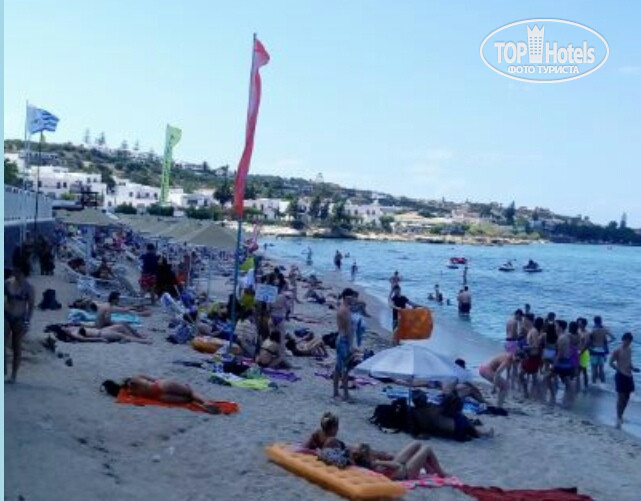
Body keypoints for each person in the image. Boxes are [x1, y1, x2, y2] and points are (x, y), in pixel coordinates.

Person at [100, 376, 220, 414]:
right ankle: (206, 403)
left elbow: (137, 401)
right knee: (190, 392)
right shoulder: (136, 378)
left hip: (159, 397)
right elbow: (154, 379)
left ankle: (203, 406)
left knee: (187, 399)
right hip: (160, 386)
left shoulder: (130, 392)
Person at [4, 256, 36, 383]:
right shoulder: (7, 283)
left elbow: (31, 306)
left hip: (20, 318)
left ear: (22, 271)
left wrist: (27, 321)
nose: (14, 272)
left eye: (16, 270)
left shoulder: (29, 288)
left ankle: (13, 375)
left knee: (16, 347)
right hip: (7, 315)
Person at [351, 441, 447, 480]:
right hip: (407, 473)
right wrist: (379, 461)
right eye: (371, 452)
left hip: (401, 467)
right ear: (368, 456)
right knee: (427, 448)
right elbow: (398, 466)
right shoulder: (376, 465)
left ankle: (430, 470)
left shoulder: (370, 462)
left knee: (416, 444)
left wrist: (382, 457)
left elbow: (391, 458)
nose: (373, 451)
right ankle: (441, 473)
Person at [609, 332, 639, 429]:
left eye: (630, 341)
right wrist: (617, 369)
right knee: (621, 397)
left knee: (627, 397)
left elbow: (629, 362)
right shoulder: (617, 351)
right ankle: (618, 416)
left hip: (629, 375)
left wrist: (633, 368)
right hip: (620, 375)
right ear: (623, 340)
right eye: (627, 341)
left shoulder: (629, 350)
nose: (628, 343)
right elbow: (610, 362)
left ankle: (621, 414)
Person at [334, 288, 356, 401]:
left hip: (340, 339)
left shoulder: (342, 308)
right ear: (347, 297)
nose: (353, 299)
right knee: (345, 368)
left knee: (338, 367)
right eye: (352, 296)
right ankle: (345, 394)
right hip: (344, 341)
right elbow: (348, 329)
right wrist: (351, 345)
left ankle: (336, 392)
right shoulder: (345, 310)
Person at [53, 325, 151, 344]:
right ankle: (144, 341)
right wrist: (99, 340)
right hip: (101, 335)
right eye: (63, 328)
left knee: (121, 326)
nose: (65, 327)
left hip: (101, 330)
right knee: (123, 335)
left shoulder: (71, 328)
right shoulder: (74, 334)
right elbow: (85, 339)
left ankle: (137, 337)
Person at [590, 315, 615, 384]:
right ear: (601, 321)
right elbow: (613, 338)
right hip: (602, 351)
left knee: (594, 369)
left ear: (594, 321)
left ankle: (594, 384)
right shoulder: (604, 329)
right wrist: (607, 342)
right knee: (601, 369)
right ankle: (603, 385)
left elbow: (589, 340)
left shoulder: (592, 330)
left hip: (594, 351)